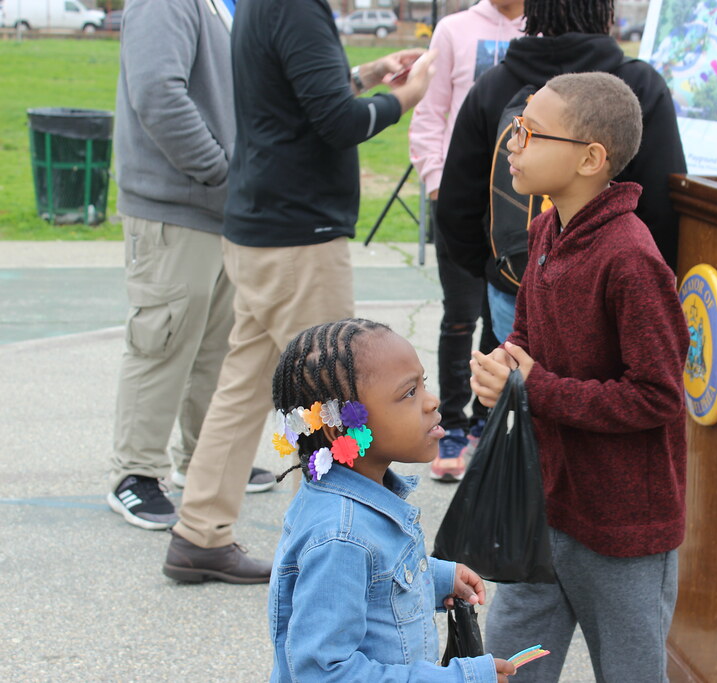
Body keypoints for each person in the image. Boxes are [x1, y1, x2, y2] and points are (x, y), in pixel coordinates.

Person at [162, 0, 438, 584]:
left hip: (260, 222)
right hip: (298, 234)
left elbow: (294, 92)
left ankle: (199, 531)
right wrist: (409, 96)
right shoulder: (297, 5)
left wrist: (367, 74)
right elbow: (338, 123)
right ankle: (337, 544)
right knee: (334, 394)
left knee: (244, 385)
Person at [469, 72, 689, 682]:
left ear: (591, 158)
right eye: (516, 127)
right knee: (508, 666)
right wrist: (504, 367)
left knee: (630, 672)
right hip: (545, 503)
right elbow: (531, 337)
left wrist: (536, 388)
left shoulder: (631, 259)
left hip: (622, 528)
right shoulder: (545, 230)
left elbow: (658, 395)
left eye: (531, 132)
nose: (513, 142)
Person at [267, 319, 517, 682]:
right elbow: (324, 673)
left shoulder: (368, 495)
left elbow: (377, 586)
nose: (432, 401)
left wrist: (436, 577)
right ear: (341, 427)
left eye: (423, 384)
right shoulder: (341, 536)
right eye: (408, 393)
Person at [106, 0, 276, 532]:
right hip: (177, 206)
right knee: (162, 341)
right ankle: (134, 472)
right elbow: (158, 95)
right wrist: (223, 173)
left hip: (220, 210)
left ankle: (203, 460)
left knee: (214, 346)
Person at [437, 0, 686, 342]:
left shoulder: (494, 84)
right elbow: (663, 206)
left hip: (511, 286)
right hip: (609, 297)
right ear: (604, 9)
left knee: (512, 388)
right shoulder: (640, 85)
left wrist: (495, 271)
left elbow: (457, 204)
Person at [408, 0, 524, 482]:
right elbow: (429, 117)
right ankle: (450, 424)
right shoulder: (454, 30)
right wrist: (439, 184)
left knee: (504, 320)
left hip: (516, 204)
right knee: (461, 316)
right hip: (460, 201)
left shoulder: (543, 30)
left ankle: (486, 421)